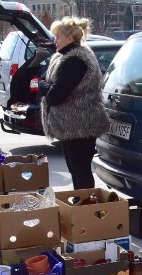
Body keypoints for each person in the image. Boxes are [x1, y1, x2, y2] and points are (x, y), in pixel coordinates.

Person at [41, 17, 109, 189]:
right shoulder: (69, 57)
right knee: (76, 170)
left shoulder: (75, 60)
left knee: (80, 170)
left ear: (69, 39)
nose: (55, 40)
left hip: (79, 125)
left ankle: (85, 209)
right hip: (74, 125)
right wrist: (49, 86)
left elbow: (56, 95)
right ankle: (81, 206)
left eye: (58, 37)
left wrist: (44, 87)